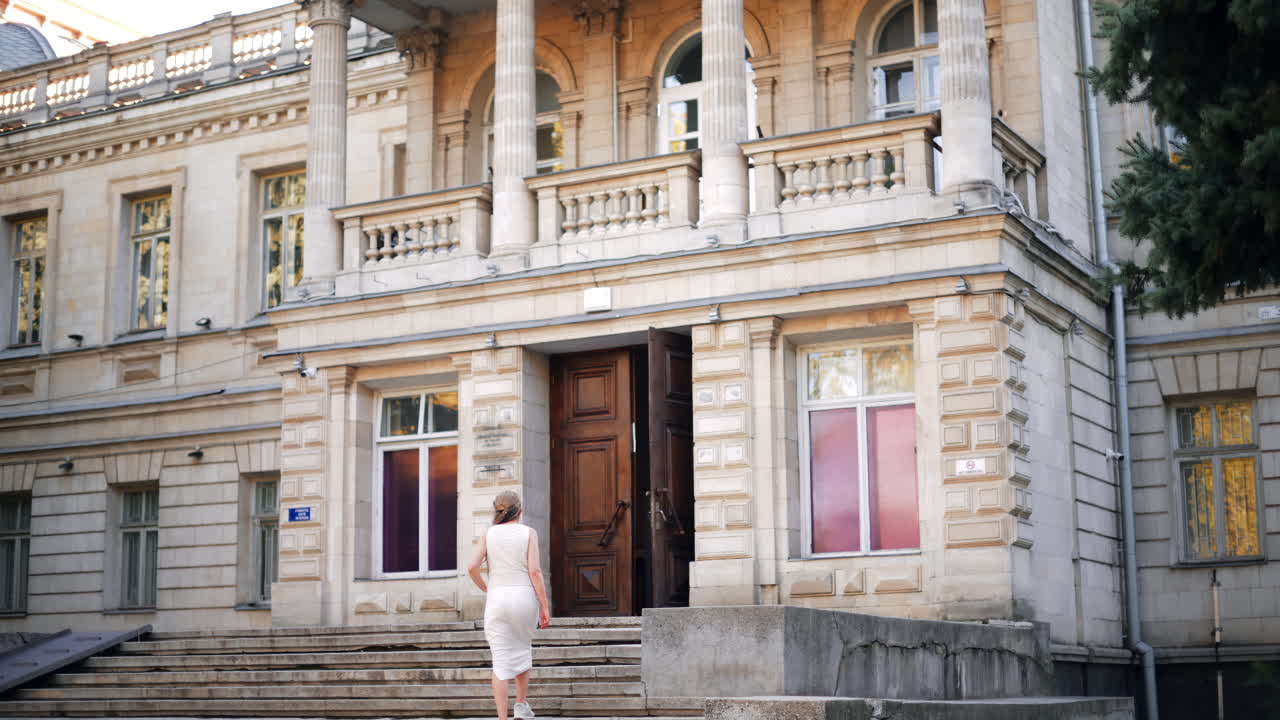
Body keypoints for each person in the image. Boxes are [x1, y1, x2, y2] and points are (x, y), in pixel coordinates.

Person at [468, 490, 551, 720]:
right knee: (523, 648)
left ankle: (502, 717)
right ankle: (521, 706)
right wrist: (544, 606)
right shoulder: (529, 533)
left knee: (500, 662)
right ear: (520, 510)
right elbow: (535, 571)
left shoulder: (488, 534)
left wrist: (486, 588)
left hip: (498, 598)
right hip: (523, 598)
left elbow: (472, 567)